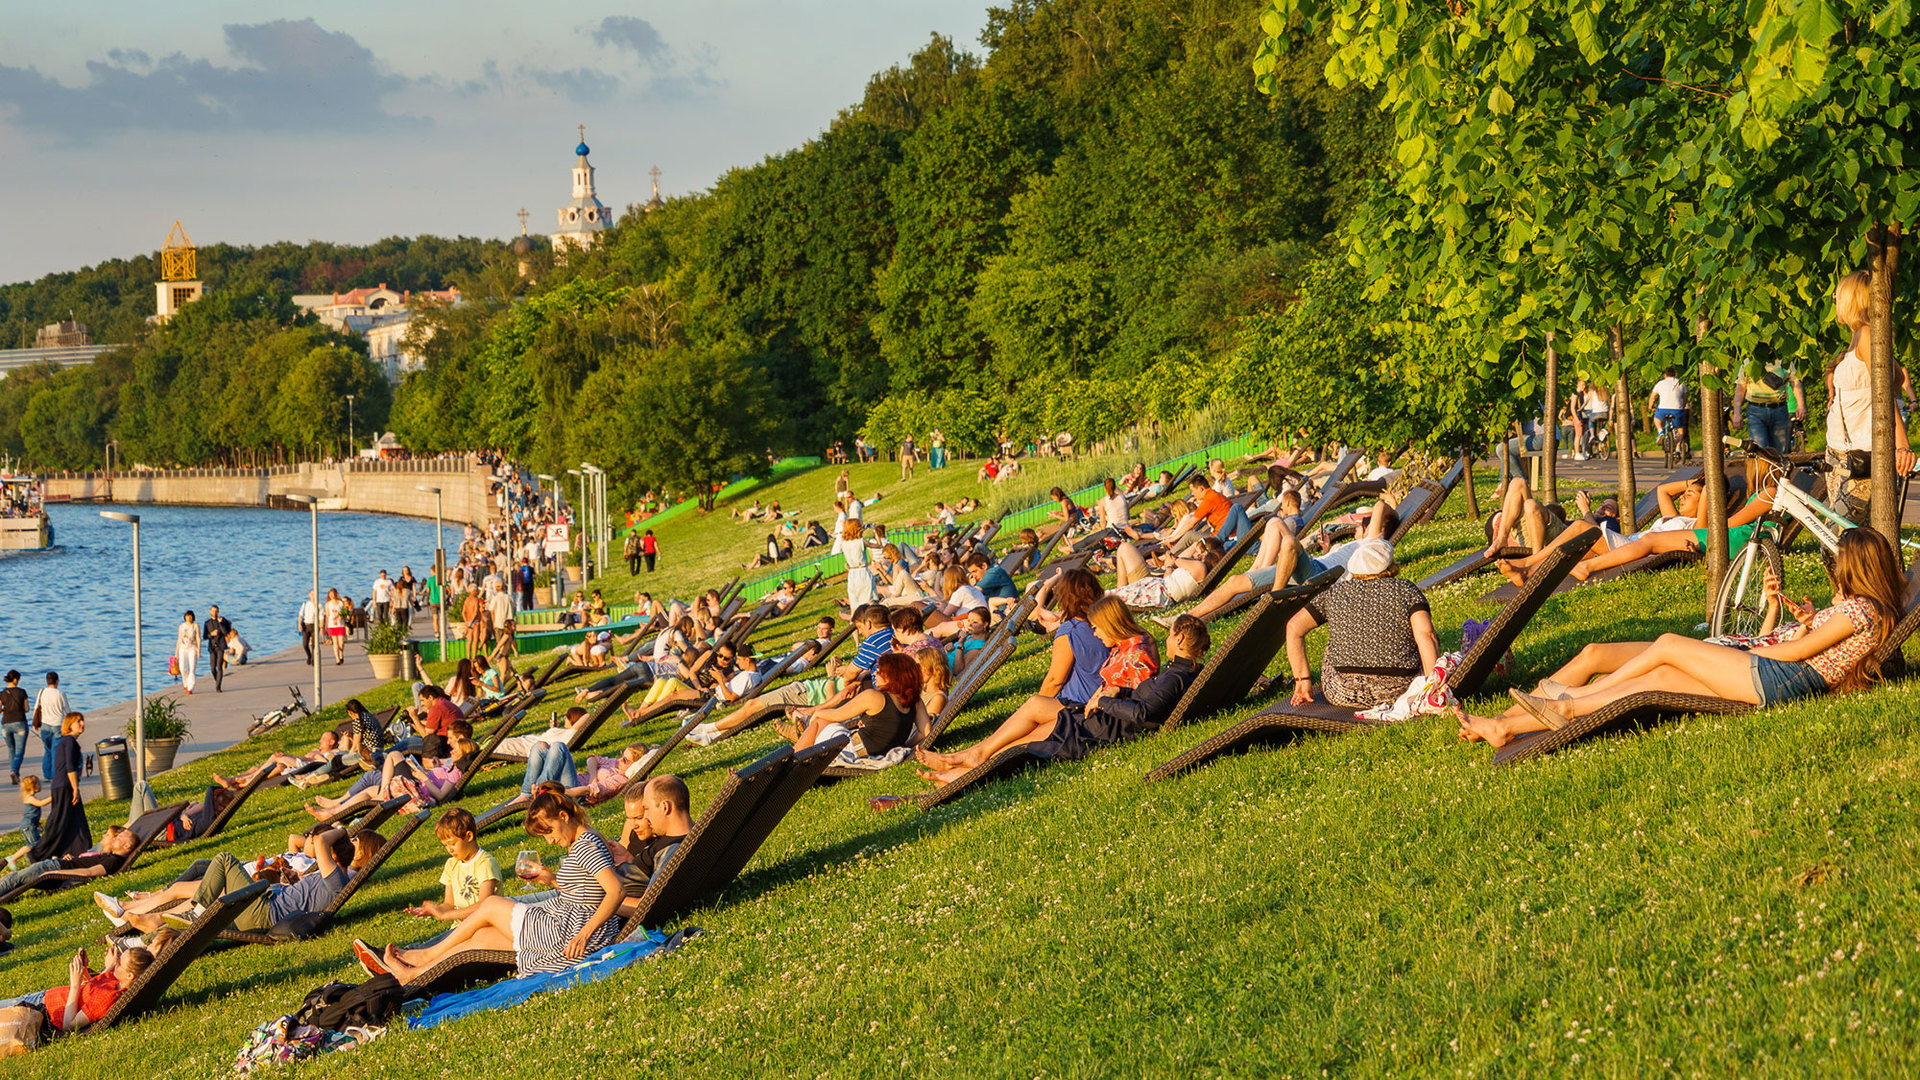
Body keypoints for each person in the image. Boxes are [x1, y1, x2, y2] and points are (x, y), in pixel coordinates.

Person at [1461, 528, 1903, 746]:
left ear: (1857, 569)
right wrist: (1780, 616)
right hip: (1774, 673)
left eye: (1840, 565)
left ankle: (1562, 702)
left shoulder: (1862, 608)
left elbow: (1799, 653)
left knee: (1670, 645)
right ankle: (1505, 726)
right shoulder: (1862, 609)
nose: (1834, 572)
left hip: (1780, 679)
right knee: (1650, 680)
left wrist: (1752, 645)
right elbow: (1798, 645)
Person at [377, 790, 622, 981]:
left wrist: (583, 936)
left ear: (564, 816)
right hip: (567, 924)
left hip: (570, 931)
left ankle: (427, 954)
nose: (549, 840)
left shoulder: (585, 845)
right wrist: (553, 881)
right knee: (481, 936)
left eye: (548, 831)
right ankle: (414, 974)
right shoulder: (585, 838)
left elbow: (616, 891)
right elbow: (589, 891)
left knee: (492, 904)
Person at [916, 594, 1157, 783]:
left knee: (1031, 735)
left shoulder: (1136, 655)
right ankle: (972, 755)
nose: (1093, 632)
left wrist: (1105, 696)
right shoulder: (1127, 645)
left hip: (1099, 722)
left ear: (1110, 624)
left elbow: (1133, 699)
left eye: (1096, 627)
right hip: (1091, 712)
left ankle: (967, 768)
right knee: (1035, 704)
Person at [111, 827, 379, 936]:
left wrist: (343, 830)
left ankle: (193, 913)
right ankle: (152, 926)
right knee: (212, 879)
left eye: (356, 841)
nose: (351, 838)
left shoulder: (338, 880)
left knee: (225, 860)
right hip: (267, 901)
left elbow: (319, 841)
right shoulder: (338, 878)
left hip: (266, 912)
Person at [1282, 539, 1438, 709]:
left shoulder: (1335, 593)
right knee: (1417, 636)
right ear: (1390, 565)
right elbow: (1426, 634)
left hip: (1342, 691)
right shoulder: (1406, 590)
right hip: (1401, 690)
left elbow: (1293, 628)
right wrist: (1433, 688)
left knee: (1334, 643)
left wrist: (1302, 680)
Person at [780, 652, 929, 757]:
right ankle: (801, 740)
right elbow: (925, 732)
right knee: (824, 724)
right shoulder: (915, 700)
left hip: (857, 751)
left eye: (879, 671)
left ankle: (793, 759)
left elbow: (836, 715)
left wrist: (815, 715)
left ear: (892, 677)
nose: (875, 675)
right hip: (883, 750)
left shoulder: (874, 696)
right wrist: (904, 746)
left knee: (821, 720)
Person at [0, 940, 159, 1035]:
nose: (116, 961)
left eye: (119, 962)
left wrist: (75, 983)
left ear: (130, 975)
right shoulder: (115, 981)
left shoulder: (107, 999)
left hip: (41, 1010)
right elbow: (89, 992)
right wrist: (105, 967)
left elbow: (69, 1025)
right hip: (44, 998)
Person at [401, 808, 503, 923]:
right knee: (437, 941)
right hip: (460, 927)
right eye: (445, 845)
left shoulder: (485, 863)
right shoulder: (451, 864)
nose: (449, 849)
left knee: (444, 941)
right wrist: (434, 910)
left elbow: (484, 905)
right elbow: (449, 904)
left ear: (468, 836)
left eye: (452, 844)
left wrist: (446, 915)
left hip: (484, 926)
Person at [1, 823, 137, 895]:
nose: (114, 838)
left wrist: (53, 874)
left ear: (127, 846)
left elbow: (88, 872)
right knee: (14, 878)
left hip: (54, 869)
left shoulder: (113, 860)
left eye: (119, 838)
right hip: (55, 866)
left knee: (13, 879)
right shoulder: (111, 855)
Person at [30, 712, 89, 862]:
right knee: (58, 821)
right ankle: (38, 853)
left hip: (62, 786)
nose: (82, 724)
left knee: (76, 820)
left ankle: (79, 851)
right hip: (65, 786)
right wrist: (75, 789)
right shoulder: (68, 741)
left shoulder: (68, 741)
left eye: (82, 720)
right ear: (69, 725)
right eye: (78, 721)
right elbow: (70, 767)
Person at [1732, 344, 1806, 453]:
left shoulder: (1784, 360)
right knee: (1760, 449)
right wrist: (1737, 413)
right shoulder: (1749, 362)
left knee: (1780, 451)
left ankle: (1778, 470)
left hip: (1779, 410)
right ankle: (1764, 470)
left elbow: (1795, 382)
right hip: (1756, 411)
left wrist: (1801, 405)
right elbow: (1740, 388)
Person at [31, 673, 66, 782]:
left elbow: (36, 709)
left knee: (47, 750)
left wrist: (35, 724)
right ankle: (55, 775)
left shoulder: (42, 692)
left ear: (47, 681)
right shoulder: (60, 693)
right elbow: (67, 710)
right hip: (57, 725)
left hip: (45, 725)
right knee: (56, 750)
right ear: (57, 681)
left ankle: (47, 775)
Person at [1649, 365, 1689, 456]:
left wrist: (1651, 406)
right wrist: (1683, 405)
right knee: (1680, 430)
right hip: (1677, 409)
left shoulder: (1660, 383)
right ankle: (1678, 448)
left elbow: (1652, 397)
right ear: (1675, 374)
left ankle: (1660, 432)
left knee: (1657, 419)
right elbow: (1685, 396)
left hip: (1663, 409)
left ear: (1665, 375)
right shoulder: (1681, 382)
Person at [837, 520, 877, 608]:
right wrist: (874, 530)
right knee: (870, 600)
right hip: (863, 571)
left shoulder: (844, 543)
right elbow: (879, 545)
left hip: (852, 573)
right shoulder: (861, 541)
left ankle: (853, 619)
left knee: (855, 603)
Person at [1, 669, 28, 786]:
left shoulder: (2, 693)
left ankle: (15, 775)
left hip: (5, 723)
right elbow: (27, 709)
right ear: (16, 679)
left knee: (11, 749)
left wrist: (4, 711)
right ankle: (14, 771)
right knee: (19, 751)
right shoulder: (22, 692)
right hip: (20, 722)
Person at [12, 776, 48, 854]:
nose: (40, 785)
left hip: (30, 824)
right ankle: (13, 858)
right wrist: (54, 797)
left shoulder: (30, 797)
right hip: (28, 825)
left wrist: (37, 823)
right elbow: (41, 803)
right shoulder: (29, 798)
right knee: (35, 844)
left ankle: (20, 858)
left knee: (32, 844)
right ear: (32, 786)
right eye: (38, 783)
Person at [202, 605, 231, 693]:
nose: (214, 612)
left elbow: (226, 632)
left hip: (221, 645)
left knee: (219, 666)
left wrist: (220, 623)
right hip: (212, 646)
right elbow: (204, 636)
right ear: (210, 612)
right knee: (212, 668)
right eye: (213, 611)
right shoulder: (207, 623)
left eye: (216, 611)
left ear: (218, 612)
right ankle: (217, 679)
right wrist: (211, 634)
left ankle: (218, 686)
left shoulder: (223, 620)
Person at [174, 611, 201, 694]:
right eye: (187, 616)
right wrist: (176, 653)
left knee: (192, 668)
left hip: (192, 648)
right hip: (183, 648)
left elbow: (198, 638)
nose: (189, 618)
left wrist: (199, 650)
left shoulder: (195, 626)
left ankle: (190, 687)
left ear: (193, 617)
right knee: (182, 668)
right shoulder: (181, 626)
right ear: (185, 617)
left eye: (190, 616)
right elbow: (179, 639)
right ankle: (186, 683)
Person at [325, 588, 350, 666]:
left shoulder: (340, 603)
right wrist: (325, 626)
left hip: (340, 624)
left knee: (341, 643)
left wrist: (341, 616)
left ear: (335, 594)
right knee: (335, 643)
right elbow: (328, 615)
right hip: (332, 625)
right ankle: (337, 658)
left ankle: (341, 654)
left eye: (333, 594)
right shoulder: (328, 604)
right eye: (330, 594)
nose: (332, 595)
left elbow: (345, 613)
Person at [298, 589, 318, 665]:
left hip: (314, 625)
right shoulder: (305, 604)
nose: (313, 596)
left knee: (314, 644)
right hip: (306, 625)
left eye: (314, 594)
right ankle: (309, 656)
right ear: (309, 595)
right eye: (311, 594)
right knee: (305, 644)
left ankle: (313, 659)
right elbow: (300, 615)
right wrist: (299, 624)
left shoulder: (318, 604)